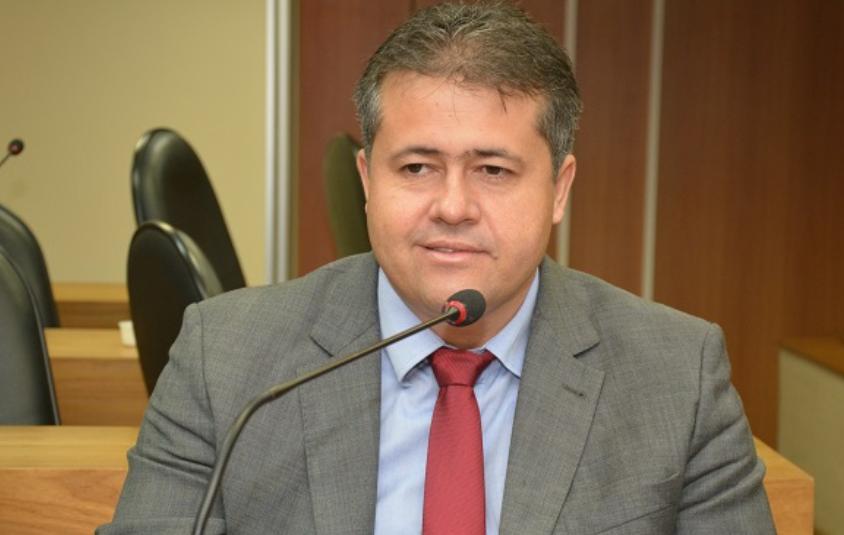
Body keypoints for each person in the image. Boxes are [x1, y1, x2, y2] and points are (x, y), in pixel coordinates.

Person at [100, 2, 775, 533]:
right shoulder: (226, 361)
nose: (453, 207)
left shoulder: (677, 376)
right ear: (368, 179)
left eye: (493, 170)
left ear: (559, 188)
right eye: (417, 167)